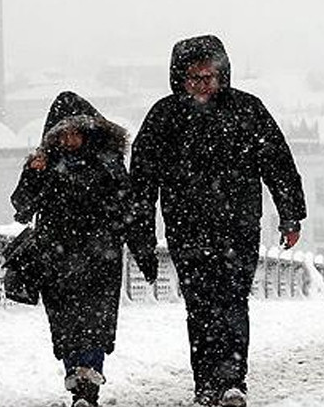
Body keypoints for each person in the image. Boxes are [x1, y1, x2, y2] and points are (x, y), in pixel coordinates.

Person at [128, 35, 307, 407]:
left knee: (232, 299)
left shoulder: (247, 110)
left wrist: (291, 215)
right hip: (186, 228)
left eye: (209, 77)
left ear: (222, 75)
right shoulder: (164, 117)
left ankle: (231, 379)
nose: (203, 85)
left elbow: (278, 164)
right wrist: (141, 233)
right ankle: (207, 381)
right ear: (180, 79)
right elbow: (141, 181)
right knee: (200, 304)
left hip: (238, 227)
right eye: (195, 78)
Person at [11, 91, 153, 407]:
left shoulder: (108, 163)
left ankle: (88, 383)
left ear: (90, 130)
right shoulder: (44, 165)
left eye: (76, 131)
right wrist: (33, 174)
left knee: (95, 322)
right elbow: (21, 207)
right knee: (65, 323)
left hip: (100, 256)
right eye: (64, 133)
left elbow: (129, 209)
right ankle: (76, 378)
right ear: (54, 136)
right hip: (57, 256)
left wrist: (143, 250)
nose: (71, 139)